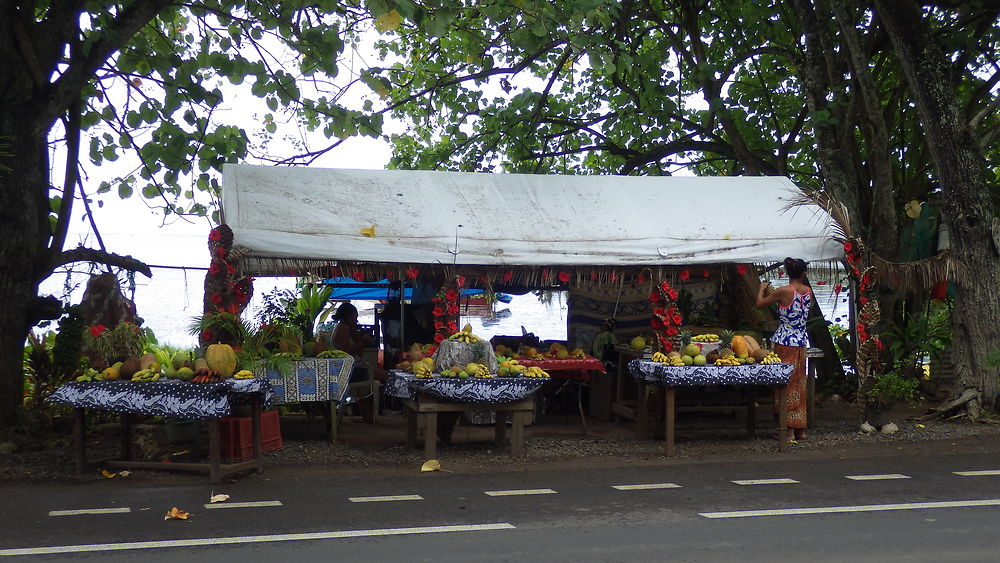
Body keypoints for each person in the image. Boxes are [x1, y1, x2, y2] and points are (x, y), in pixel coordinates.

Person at [755, 257, 813, 442]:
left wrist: (761, 289)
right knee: (799, 384)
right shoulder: (808, 291)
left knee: (785, 384)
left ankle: (787, 431)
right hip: (801, 342)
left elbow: (759, 304)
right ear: (804, 273)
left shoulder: (783, 291)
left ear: (788, 273)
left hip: (785, 342)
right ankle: (800, 430)